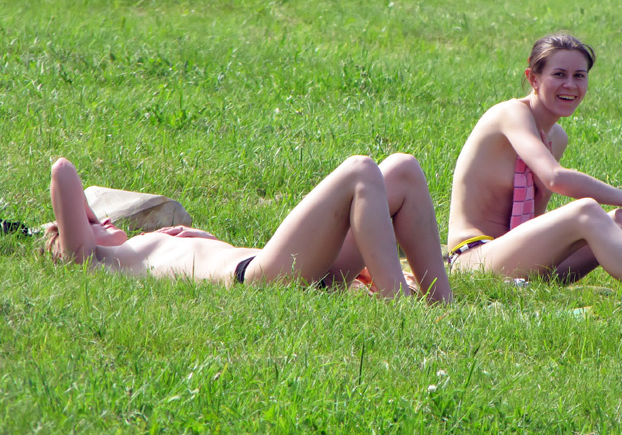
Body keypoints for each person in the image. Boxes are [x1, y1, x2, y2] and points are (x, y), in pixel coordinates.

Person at [447, 33, 622, 296]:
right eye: (559, 74)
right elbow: (555, 178)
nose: (570, 85)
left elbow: (531, 220)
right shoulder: (510, 114)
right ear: (533, 78)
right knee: (585, 210)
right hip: (474, 261)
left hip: (522, 262)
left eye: (579, 76)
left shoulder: (556, 137)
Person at [46, 154, 452, 303]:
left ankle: (442, 305)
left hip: (298, 267)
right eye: (94, 221)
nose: (104, 218)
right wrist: (68, 228)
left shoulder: (145, 243)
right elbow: (62, 172)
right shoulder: (103, 260)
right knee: (360, 170)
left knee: (403, 169)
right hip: (256, 277)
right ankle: (400, 309)